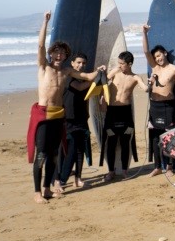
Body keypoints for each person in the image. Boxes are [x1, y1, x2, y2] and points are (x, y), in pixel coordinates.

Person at [30, 12, 103, 204]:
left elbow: (87, 77)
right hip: (43, 115)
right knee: (41, 154)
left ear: (65, 56)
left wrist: (100, 71)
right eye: (56, 52)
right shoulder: (43, 67)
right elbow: (39, 45)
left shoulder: (66, 71)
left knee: (54, 155)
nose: (59, 55)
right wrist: (45, 22)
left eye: (62, 53)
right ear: (51, 53)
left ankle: (47, 189)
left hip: (58, 116)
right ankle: (37, 192)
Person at [141, 24, 175, 177]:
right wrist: (144, 33)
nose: (158, 58)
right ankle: (157, 166)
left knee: (168, 136)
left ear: (164, 53)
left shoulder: (174, 69)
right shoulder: (154, 68)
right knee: (156, 138)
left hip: (168, 106)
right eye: (156, 57)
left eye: (160, 55)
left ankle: (169, 166)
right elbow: (145, 51)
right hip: (155, 105)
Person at [52, 51, 92, 192]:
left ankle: (78, 179)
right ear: (72, 63)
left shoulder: (84, 78)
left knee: (81, 149)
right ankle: (60, 180)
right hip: (68, 118)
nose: (81, 65)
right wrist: (96, 77)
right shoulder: (67, 75)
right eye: (78, 62)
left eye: (83, 63)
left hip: (81, 117)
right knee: (66, 150)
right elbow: (80, 87)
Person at [100, 51, 142, 182]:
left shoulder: (135, 77)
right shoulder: (115, 72)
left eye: (122, 64)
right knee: (111, 142)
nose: (119, 66)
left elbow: (145, 88)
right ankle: (111, 171)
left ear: (129, 64)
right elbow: (103, 81)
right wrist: (102, 98)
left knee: (125, 142)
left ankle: (124, 170)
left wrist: (150, 85)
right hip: (112, 112)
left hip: (126, 113)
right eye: (118, 63)